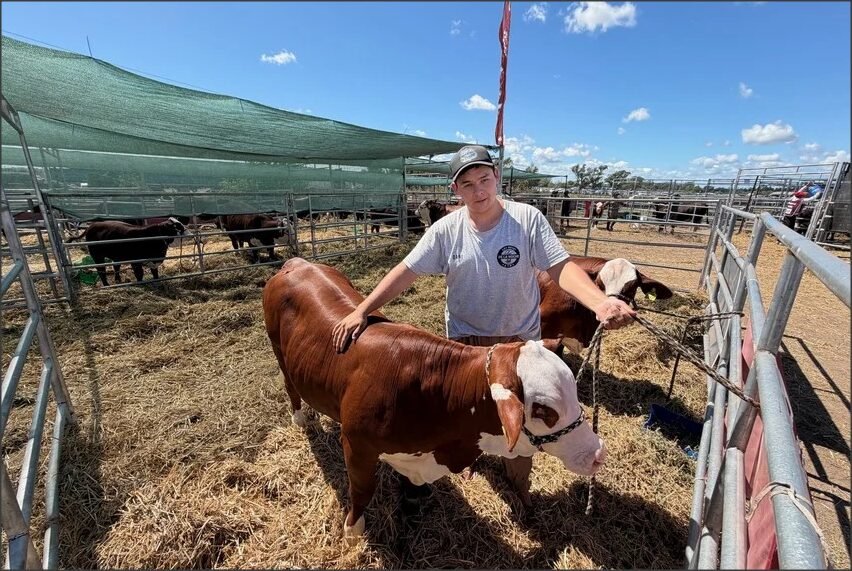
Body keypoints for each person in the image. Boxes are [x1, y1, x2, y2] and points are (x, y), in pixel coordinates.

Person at [331, 144, 635, 506]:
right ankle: (466, 459)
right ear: (455, 190)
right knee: (463, 416)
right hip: (466, 345)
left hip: (520, 344)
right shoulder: (446, 231)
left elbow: (560, 267)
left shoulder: (527, 220)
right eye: (468, 184)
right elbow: (406, 271)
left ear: (497, 178)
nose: (479, 191)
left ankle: (518, 480)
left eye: (485, 179)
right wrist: (362, 309)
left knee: (526, 419)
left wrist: (599, 302)